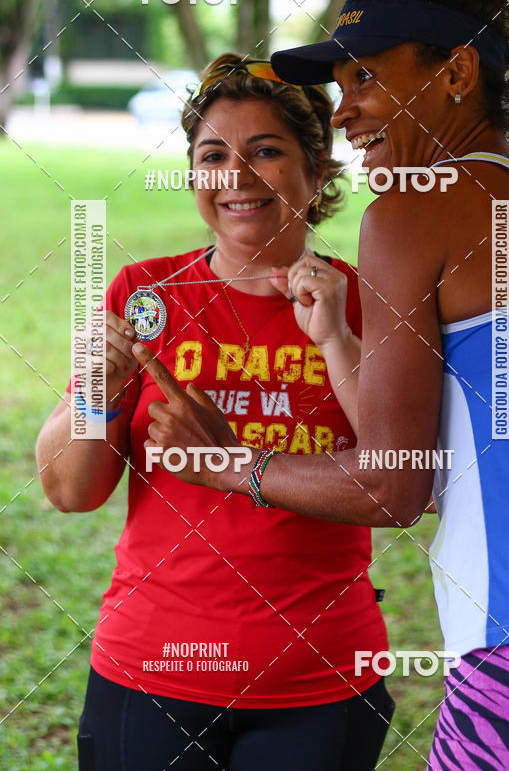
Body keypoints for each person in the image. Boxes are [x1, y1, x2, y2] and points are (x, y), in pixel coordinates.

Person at [136, 0, 509, 769]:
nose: (346, 113)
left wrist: (228, 463)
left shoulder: (412, 212)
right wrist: (338, 345)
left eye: (365, 79)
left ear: (457, 71)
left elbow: (393, 485)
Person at [36, 54, 395, 771]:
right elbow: (71, 491)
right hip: (152, 670)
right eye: (212, 155)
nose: (236, 174)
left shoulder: (372, 302)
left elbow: (400, 483)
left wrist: (336, 340)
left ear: (317, 171)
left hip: (319, 680)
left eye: (266, 150)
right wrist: (92, 396)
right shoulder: (146, 296)